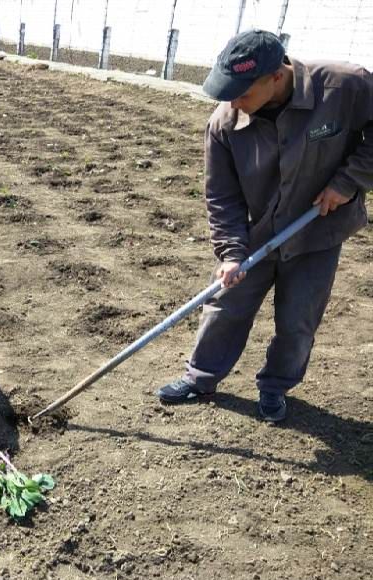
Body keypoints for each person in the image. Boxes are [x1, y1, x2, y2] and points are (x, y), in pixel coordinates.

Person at [156, 30, 371, 422]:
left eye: (242, 92)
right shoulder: (224, 124)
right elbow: (221, 196)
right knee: (225, 304)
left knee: (297, 319)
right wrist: (231, 253)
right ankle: (201, 377)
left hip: (317, 230)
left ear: (276, 76)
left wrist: (347, 180)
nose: (232, 102)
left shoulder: (344, 86)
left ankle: (275, 387)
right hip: (259, 230)